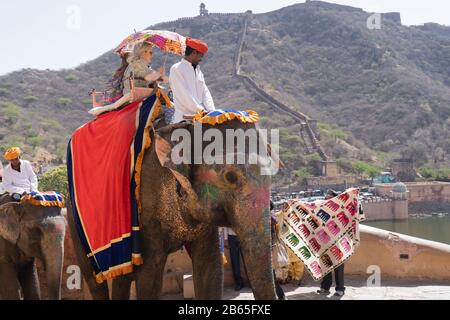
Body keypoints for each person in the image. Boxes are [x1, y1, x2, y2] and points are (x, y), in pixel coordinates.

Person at [169, 37, 215, 123]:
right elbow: (184, 95)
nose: (201, 59)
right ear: (194, 52)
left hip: (203, 117)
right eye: (201, 55)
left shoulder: (198, 71)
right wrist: (200, 110)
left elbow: (205, 92)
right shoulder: (176, 69)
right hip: (184, 119)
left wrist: (212, 111)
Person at [317, 189, 345, 297]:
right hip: (324, 242)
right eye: (326, 196)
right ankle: (325, 287)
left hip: (337, 242)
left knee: (338, 267)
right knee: (325, 265)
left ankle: (340, 289)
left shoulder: (340, 212)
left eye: (329, 197)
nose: (326, 198)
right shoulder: (320, 210)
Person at [270, 200, 287, 300]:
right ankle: (280, 295)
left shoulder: (269, 217)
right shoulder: (272, 217)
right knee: (271, 276)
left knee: (271, 276)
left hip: (269, 250)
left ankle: (280, 295)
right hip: (270, 249)